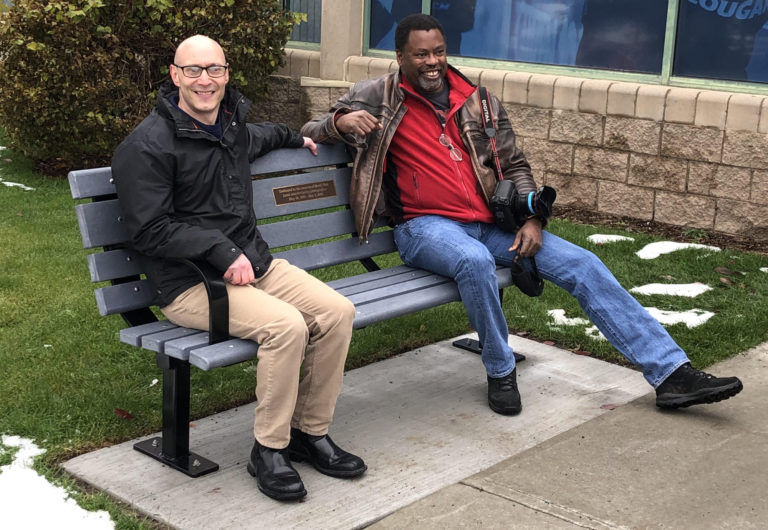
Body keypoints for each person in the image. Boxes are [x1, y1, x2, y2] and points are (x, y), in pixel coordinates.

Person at [301, 14, 744, 416]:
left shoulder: (479, 101)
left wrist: (533, 220)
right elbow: (313, 127)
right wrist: (340, 125)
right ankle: (499, 368)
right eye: (421, 54)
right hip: (424, 227)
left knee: (583, 264)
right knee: (472, 262)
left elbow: (515, 167)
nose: (432, 61)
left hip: (494, 225)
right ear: (401, 57)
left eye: (439, 51)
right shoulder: (377, 95)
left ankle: (671, 374)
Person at [112, 35, 366, 502]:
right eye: (193, 70)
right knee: (286, 326)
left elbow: (263, 135)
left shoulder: (230, 128)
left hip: (256, 265)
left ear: (227, 74)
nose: (205, 80)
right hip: (190, 284)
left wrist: (299, 136)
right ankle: (268, 450)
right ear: (175, 76)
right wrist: (221, 251)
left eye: (214, 70)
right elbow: (149, 231)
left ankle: (310, 432)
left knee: (336, 312)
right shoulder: (146, 146)